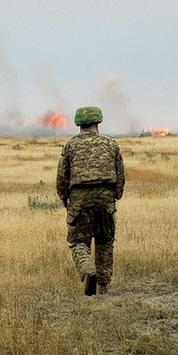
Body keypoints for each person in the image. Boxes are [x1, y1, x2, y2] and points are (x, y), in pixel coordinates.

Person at [56, 106, 125, 295]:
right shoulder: (111, 144)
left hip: (79, 199)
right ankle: (103, 286)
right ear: (98, 122)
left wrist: (66, 200)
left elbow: (62, 177)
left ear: (79, 124)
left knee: (79, 241)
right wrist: (115, 196)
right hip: (105, 198)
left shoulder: (70, 146)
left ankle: (87, 269)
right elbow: (120, 174)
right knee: (105, 242)